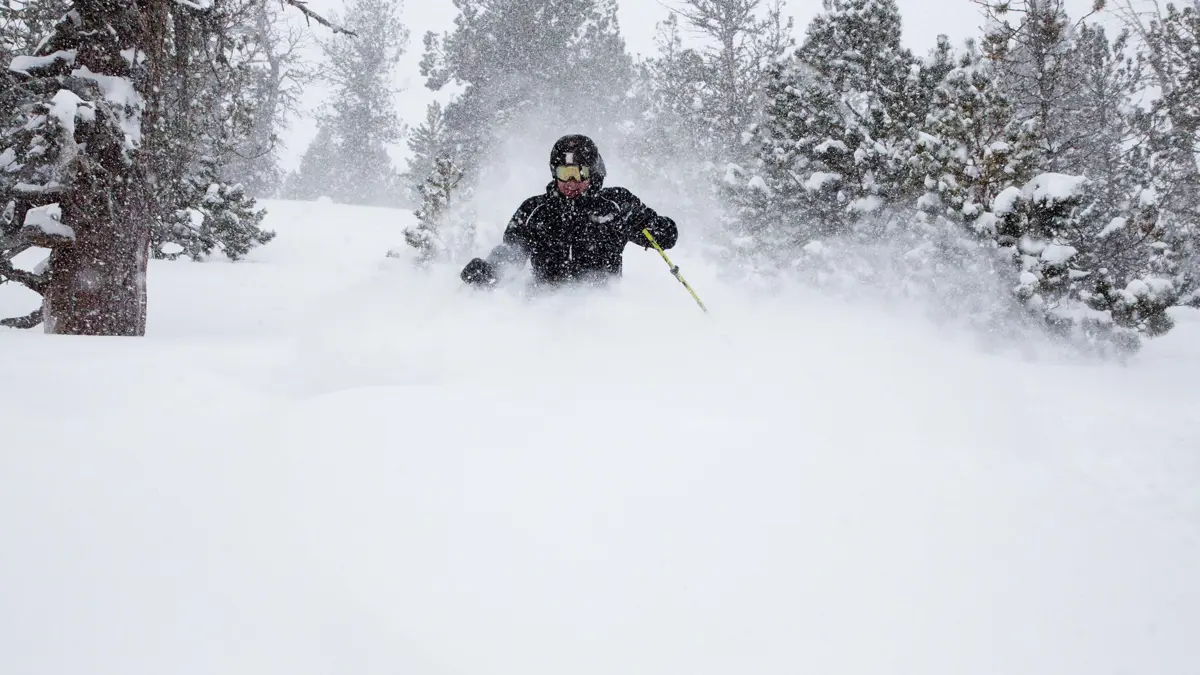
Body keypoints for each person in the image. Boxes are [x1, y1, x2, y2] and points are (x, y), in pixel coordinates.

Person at [460, 135, 678, 291]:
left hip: (602, 313)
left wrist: (661, 229)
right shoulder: (535, 211)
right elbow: (511, 252)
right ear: (554, 173)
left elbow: (658, 234)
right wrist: (490, 270)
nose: (571, 182)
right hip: (541, 313)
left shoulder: (616, 205)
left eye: (579, 173)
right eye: (564, 173)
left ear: (594, 174)